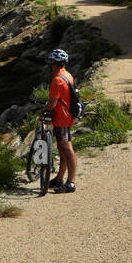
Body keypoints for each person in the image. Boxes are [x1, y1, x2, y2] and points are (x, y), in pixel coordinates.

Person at [44, 48, 78, 193]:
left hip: (61, 118)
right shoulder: (67, 75)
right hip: (67, 115)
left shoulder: (57, 80)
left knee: (67, 149)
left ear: (53, 63)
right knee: (61, 148)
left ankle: (70, 183)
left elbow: (52, 104)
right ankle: (59, 178)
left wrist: (42, 111)